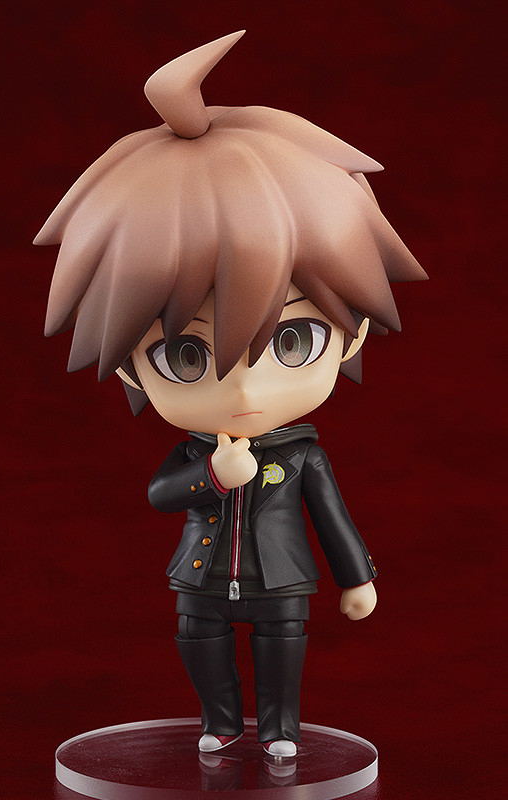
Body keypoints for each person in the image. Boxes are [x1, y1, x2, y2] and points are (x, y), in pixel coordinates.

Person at [35, 31, 426, 757]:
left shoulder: (304, 456)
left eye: (292, 341)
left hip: (283, 582)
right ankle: (219, 722)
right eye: (186, 356)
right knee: (200, 641)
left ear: (354, 334)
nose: (245, 387)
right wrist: (213, 476)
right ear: (130, 368)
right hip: (201, 577)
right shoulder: (194, 452)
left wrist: (357, 579)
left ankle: (279, 730)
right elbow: (161, 494)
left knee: (282, 651)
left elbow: (332, 519)